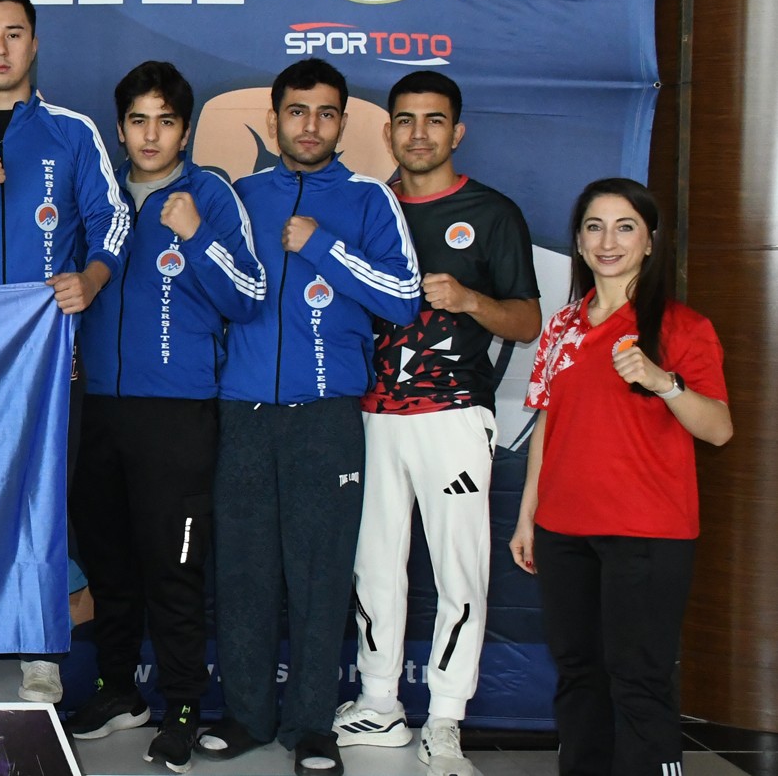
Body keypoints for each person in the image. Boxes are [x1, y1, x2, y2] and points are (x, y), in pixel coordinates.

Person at [203, 58, 421, 776]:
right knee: (243, 571)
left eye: (326, 113)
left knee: (321, 573)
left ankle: (312, 725)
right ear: (273, 120)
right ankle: (245, 714)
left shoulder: (367, 198)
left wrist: (322, 243)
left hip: (326, 416)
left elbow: (404, 298)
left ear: (343, 123)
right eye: (297, 111)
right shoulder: (240, 196)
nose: (311, 126)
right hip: (243, 411)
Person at [0, 0, 132, 707]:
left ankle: (41, 645)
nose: (1, 48)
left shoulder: (73, 132)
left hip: (48, 352)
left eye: (14, 33)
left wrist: (91, 279)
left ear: (34, 44)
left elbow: (113, 220)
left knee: (47, 497)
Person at [333, 71, 541, 774]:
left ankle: (446, 718)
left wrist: (470, 300)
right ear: (387, 129)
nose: (418, 134)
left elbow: (528, 320)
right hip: (371, 414)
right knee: (373, 565)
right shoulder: (368, 206)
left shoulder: (491, 212)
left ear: (457, 131)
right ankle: (379, 701)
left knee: (460, 569)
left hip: (453, 416)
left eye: (434, 120)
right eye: (405, 120)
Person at [66, 62, 264, 772]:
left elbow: (248, 294)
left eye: (166, 121)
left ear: (186, 129)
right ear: (120, 129)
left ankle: (183, 706)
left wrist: (198, 234)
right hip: (98, 407)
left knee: (173, 569)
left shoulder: (209, 193)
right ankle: (119, 690)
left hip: (177, 413)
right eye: (138, 121)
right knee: (110, 564)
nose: (151, 136)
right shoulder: (100, 196)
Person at [511, 178, 730, 776]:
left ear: (650, 242)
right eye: (595, 227)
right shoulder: (562, 327)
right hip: (564, 530)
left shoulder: (682, 327)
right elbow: (548, 424)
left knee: (638, 676)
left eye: (625, 227)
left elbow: (718, 430)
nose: (608, 241)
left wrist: (665, 383)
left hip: (647, 532)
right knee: (578, 672)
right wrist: (529, 516)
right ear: (579, 242)